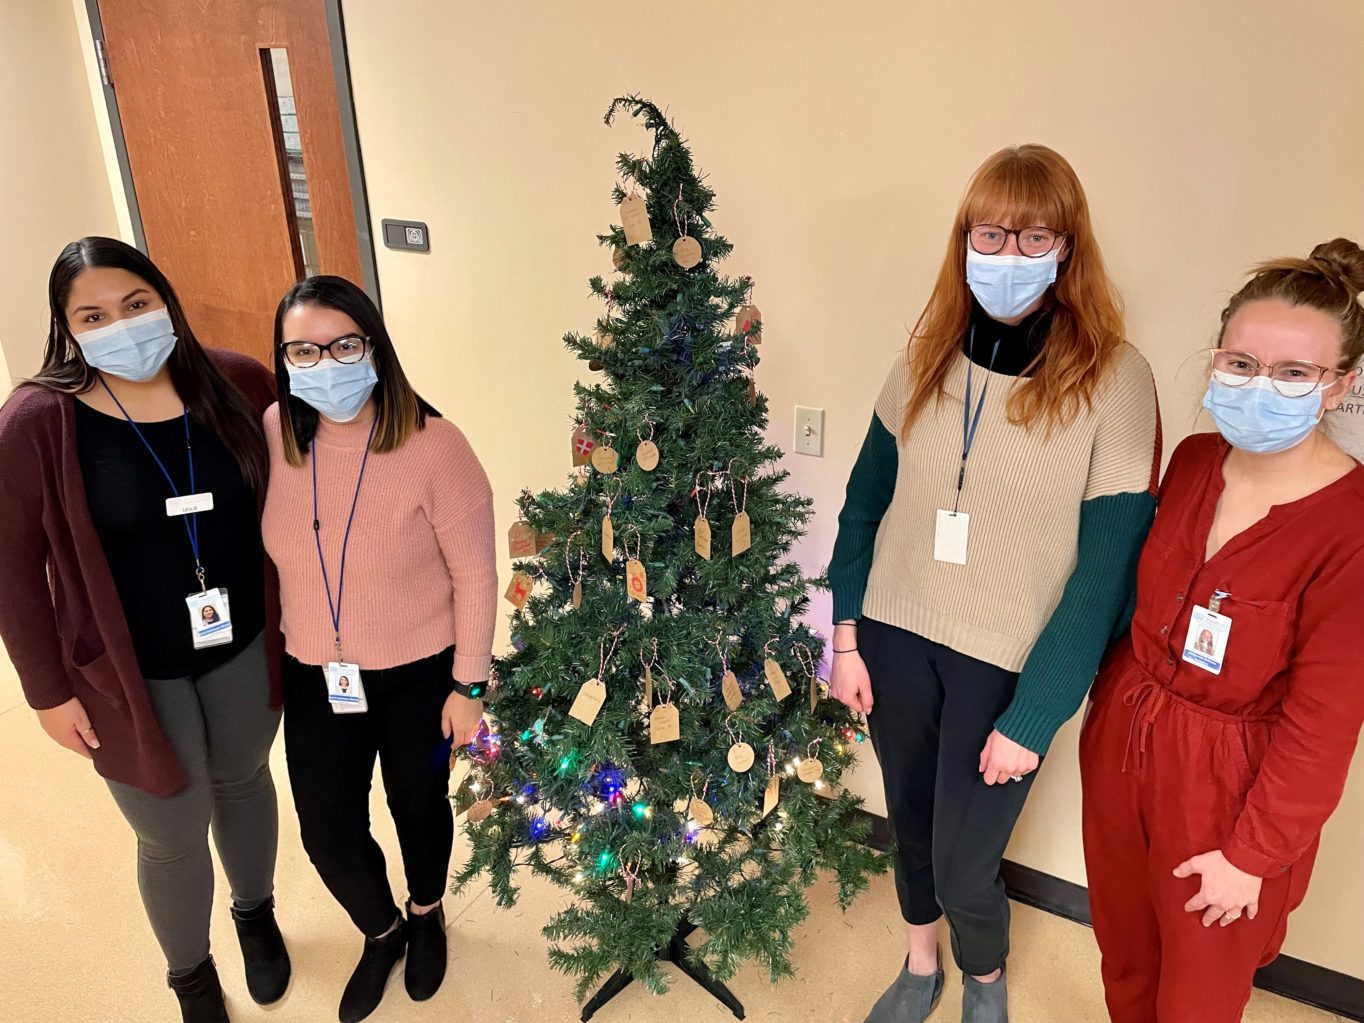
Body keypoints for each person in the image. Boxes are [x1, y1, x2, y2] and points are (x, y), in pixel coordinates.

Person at [828, 145, 1160, 1023]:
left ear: (1067, 248)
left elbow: (1106, 569)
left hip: (1006, 664)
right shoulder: (925, 354)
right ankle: (918, 962)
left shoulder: (1117, 379)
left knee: (970, 861)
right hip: (895, 639)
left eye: (1032, 236)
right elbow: (864, 506)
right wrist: (845, 636)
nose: (1006, 255)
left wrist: (1036, 711)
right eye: (989, 233)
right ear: (963, 239)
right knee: (910, 822)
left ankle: (984, 977)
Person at [0, 237, 289, 1023]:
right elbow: (13, 568)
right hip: (123, 672)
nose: (120, 325)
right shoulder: (36, 421)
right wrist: (47, 691)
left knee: (243, 781)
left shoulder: (237, 382)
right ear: (66, 327)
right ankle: (190, 975)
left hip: (242, 643)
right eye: (91, 315)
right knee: (168, 827)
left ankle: (255, 914)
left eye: (135, 304)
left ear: (164, 297)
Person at [1081, 239, 1364, 1023]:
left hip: (1232, 786)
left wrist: (1251, 856)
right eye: (1241, 363)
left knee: (1200, 993)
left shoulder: (1351, 525)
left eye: (1294, 372)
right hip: (1125, 740)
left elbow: (1324, 725)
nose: (1259, 386)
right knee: (1126, 954)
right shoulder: (1197, 460)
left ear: (1338, 386)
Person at [262, 275, 497, 1023]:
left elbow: (478, 575)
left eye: (343, 344)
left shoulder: (436, 444)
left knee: (417, 806)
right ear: (284, 359)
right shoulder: (272, 433)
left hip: (421, 674)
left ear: (375, 347)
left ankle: (426, 914)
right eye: (303, 349)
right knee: (327, 829)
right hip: (316, 674)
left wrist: (471, 686)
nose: (324, 363)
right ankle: (382, 928)